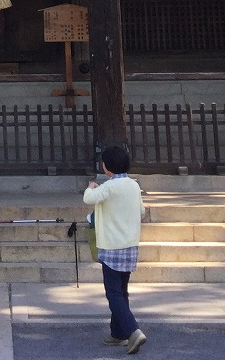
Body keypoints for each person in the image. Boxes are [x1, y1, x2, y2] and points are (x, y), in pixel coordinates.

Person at [83, 145, 146, 353]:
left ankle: (133, 330)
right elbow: (142, 211)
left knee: (113, 293)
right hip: (130, 245)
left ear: (107, 167)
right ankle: (118, 333)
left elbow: (88, 199)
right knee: (122, 290)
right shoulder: (134, 185)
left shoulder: (109, 187)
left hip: (111, 246)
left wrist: (91, 187)